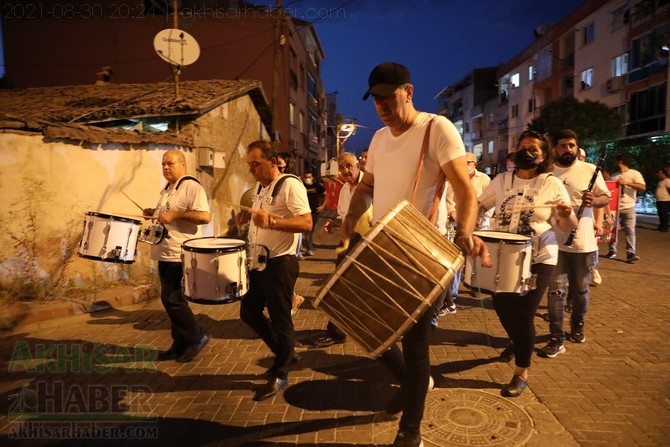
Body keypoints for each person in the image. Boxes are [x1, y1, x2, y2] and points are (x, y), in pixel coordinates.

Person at [342, 62, 489, 447]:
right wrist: (350, 217)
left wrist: (464, 232)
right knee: (366, 328)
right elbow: (367, 187)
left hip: (424, 251)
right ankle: (413, 382)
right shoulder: (377, 140)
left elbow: (465, 190)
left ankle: (411, 431)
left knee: (415, 341)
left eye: (388, 96)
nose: (381, 105)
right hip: (384, 248)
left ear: (408, 91)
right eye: (375, 98)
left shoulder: (435, 128)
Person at [477, 130, 577, 397]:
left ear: (543, 156)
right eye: (523, 147)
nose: (527, 153)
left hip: (540, 257)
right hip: (504, 257)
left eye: (534, 149)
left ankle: (521, 371)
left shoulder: (551, 183)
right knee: (500, 304)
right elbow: (479, 206)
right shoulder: (501, 180)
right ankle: (518, 340)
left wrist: (566, 215)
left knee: (523, 313)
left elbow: (568, 226)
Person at [238, 140, 312, 401]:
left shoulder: (290, 184)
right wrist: (248, 218)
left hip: (280, 264)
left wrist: (275, 222)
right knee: (248, 311)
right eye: (249, 165)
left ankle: (280, 373)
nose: (252, 170)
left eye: (256, 164)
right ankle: (286, 352)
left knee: (282, 320)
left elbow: (306, 222)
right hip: (259, 263)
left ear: (272, 161)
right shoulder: (261, 186)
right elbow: (262, 216)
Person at [541, 130, 610, 358]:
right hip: (554, 243)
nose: (567, 149)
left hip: (583, 244)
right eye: (562, 146)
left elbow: (605, 197)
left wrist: (594, 200)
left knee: (580, 291)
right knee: (556, 292)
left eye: (571, 145)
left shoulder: (589, 169)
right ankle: (556, 337)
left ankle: (577, 326)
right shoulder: (547, 173)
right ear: (555, 149)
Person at [145, 150, 212, 363]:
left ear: (183, 165)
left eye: (170, 164)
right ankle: (179, 343)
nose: (165, 167)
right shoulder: (167, 189)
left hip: (179, 252)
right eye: (163, 164)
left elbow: (204, 216)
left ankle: (197, 337)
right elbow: (166, 214)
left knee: (172, 298)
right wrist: (153, 212)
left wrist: (176, 215)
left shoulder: (191, 186)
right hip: (163, 252)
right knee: (170, 300)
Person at [314, 151, 370, 347]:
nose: (345, 171)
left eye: (349, 166)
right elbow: (345, 216)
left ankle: (347, 329)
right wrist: (334, 223)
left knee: (359, 287)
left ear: (358, 165)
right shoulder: (345, 188)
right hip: (349, 241)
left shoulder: (371, 185)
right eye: (342, 167)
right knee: (340, 284)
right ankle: (337, 330)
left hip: (369, 243)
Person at [434, 152, 492, 319]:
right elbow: (448, 199)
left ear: (474, 164)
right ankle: (452, 298)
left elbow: (488, 201)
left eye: (467, 162)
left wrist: (481, 215)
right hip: (457, 225)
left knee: (475, 257)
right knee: (457, 261)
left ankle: (477, 286)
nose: (463, 165)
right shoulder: (453, 178)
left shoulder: (484, 179)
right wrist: (452, 212)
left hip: (478, 225)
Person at [276, 153, 306, 315]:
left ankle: (290, 303)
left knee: (284, 273)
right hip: (275, 235)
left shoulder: (291, 182)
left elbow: (302, 216)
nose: (277, 167)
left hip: (290, 233)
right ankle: (294, 298)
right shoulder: (270, 183)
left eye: (280, 164)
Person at [606, 154, 646, 263]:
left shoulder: (634, 173)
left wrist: (627, 183)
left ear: (620, 162)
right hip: (615, 208)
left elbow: (642, 187)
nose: (615, 163)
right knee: (612, 229)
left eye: (616, 161)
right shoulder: (614, 176)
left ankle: (630, 253)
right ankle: (612, 250)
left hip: (629, 206)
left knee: (630, 230)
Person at [301, 171, 326, 256]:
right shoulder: (301, 186)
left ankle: (309, 245)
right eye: (306, 177)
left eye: (309, 177)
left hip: (314, 211)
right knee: (307, 230)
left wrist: (322, 205)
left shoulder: (317, 186)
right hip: (304, 211)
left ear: (312, 178)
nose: (307, 179)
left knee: (311, 230)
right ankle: (309, 247)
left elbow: (326, 194)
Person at [654, 167, 670, 232]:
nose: (659, 175)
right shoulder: (661, 181)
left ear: (664, 174)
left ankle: (665, 227)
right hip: (659, 200)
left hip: (665, 200)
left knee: (664, 214)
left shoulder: (667, 180)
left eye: (660, 173)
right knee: (660, 214)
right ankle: (661, 226)